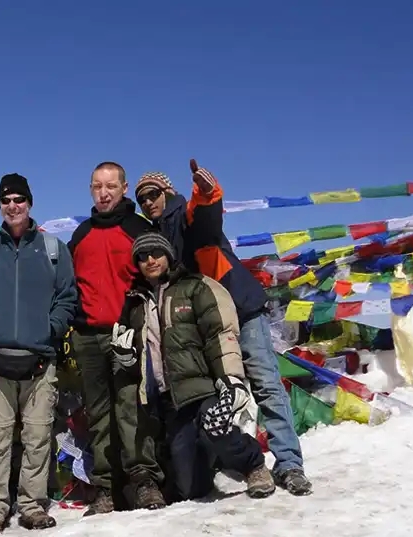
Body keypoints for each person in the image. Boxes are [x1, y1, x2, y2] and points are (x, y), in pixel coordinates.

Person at [133, 160, 313, 496]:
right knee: (218, 395)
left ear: (167, 191)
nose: (148, 202)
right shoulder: (156, 237)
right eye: (142, 199)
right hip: (204, 323)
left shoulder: (183, 215)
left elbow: (206, 218)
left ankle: (289, 464)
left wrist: (207, 192)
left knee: (264, 382)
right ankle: (232, 459)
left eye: (153, 194)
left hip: (240, 308)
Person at [113, 233, 270, 501]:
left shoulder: (196, 287)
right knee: (190, 489)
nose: (150, 260)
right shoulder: (135, 302)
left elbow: (220, 333)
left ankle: (253, 465)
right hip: (170, 401)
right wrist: (126, 358)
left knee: (216, 424)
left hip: (203, 388)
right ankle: (209, 464)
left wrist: (230, 378)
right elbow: (134, 348)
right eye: (142, 256)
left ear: (168, 256)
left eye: (156, 253)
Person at [0, 173, 78, 536]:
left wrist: (50, 329)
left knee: (38, 436)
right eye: (6, 200)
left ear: (29, 203)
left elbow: (67, 297)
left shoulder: (52, 249)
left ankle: (32, 505)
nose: (13, 206)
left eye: (19, 199)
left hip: (40, 362)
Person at [67, 161, 165, 515]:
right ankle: (106, 488)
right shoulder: (80, 236)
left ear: (123, 188)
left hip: (128, 333)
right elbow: (66, 285)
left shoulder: (138, 229)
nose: (104, 193)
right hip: (88, 337)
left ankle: (145, 483)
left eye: (110, 186)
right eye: (97, 186)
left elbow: (157, 272)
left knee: (131, 409)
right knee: (98, 414)